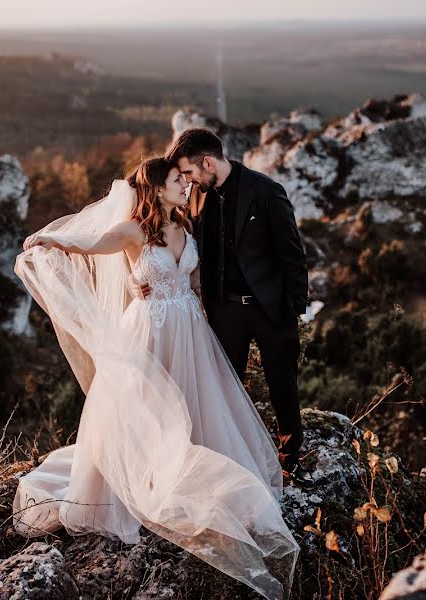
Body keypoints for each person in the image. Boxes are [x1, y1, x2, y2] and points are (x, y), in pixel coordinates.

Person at [13, 156, 298, 599]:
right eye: (176, 181)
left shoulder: (185, 225)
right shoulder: (132, 231)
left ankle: (198, 478)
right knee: (146, 413)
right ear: (155, 188)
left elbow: (198, 279)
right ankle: (137, 484)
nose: (185, 185)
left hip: (189, 330)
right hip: (150, 332)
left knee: (195, 408)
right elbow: (87, 244)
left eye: (185, 180)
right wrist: (46, 237)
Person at [134, 128, 314, 486]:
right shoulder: (197, 201)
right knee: (223, 387)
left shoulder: (265, 191)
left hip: (270, 309)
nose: (187, 182)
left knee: (283, 384)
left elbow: (293, 254)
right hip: (224, 311)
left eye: (189, 173)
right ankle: (232, 460)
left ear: (208, 162)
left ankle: (290, 459)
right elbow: (177, 245)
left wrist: (293, 309)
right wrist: (146, 277)